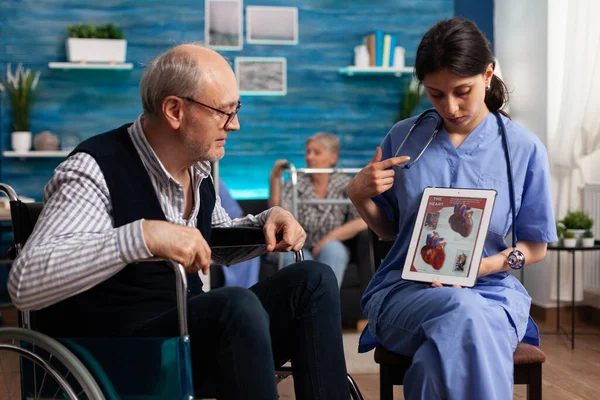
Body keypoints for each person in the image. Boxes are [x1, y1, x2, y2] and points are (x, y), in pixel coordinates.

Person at [8, 43, 350, 400]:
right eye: (224, 112)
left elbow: (213, 241)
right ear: (174, 110)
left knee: (313, 280)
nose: (235, 125)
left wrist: (268, 221)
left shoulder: (198, 170)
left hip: (186, 341)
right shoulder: (93, 169)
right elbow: (25, 282)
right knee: (235, 305)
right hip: (117, 356)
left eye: (236, 110)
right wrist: (141, 236)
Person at [347, 17, 557, 400]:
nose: (451, 106)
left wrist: (484, 266)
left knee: (435, 360)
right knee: (463, 311)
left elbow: (535, 247)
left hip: (492, 292)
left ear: (488, 74)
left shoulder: (524, 149)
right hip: (409, 292)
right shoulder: (404, 137)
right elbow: (390, 230)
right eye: (435, 94)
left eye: (463, 91)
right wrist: (359, 195)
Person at [268, 132, 368, 288]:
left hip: (330, 244)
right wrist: (274, 180)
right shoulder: (296, 182)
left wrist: (329, 238)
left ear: (333, 158)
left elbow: (362, 220)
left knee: (334, 249)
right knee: (295, 258)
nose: (309, 157)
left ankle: (326, 306)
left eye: (316, 152)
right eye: (308, 152)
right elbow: (279, 214)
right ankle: (302, 309)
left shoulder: (345, 184)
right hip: (298, 245)